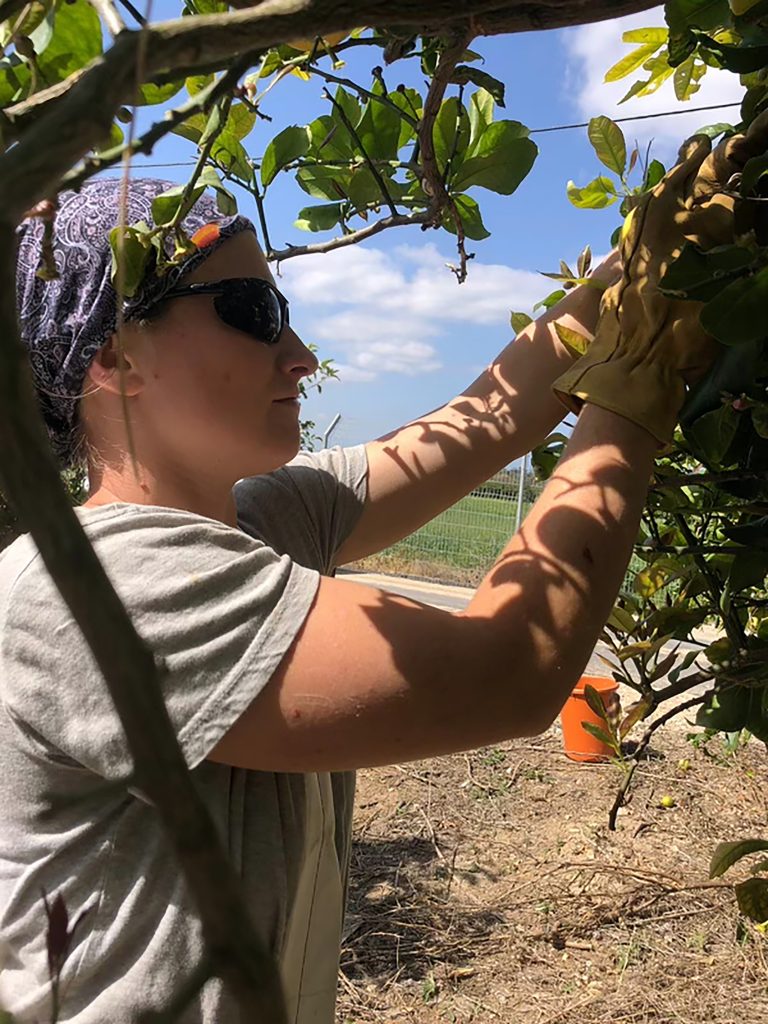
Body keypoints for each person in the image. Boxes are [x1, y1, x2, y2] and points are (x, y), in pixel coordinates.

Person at [0, 118, 761, 1023]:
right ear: (116, 358)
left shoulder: (261, 516)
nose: (300, 355)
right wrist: (639, 376)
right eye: (253, 313)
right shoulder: (102, 589)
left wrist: (640, 263)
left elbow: (485, 416)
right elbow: (509, 673)